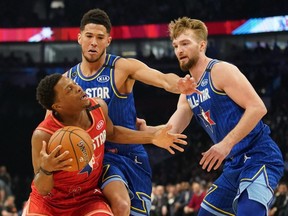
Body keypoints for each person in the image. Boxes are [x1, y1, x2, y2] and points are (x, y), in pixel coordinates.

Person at [64, 8, 198, 216]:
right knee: (120, 206)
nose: (94, 42)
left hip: (132, 155)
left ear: (108, 40)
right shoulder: (68, 81)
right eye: (89, 36)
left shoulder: (121, 68)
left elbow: (162, 79)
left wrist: (179, 84)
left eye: (100, 37)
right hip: (98, 158)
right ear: (79, 37)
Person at [165, 17, 284, 215]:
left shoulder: (220, 70)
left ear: (202, 45)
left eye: (185, 43)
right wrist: (145, 131)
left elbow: (257, 107)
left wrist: (226, 144)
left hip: (259, 156)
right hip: (233, 164)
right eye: (176, 45)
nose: (179, 50)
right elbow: (172, 130)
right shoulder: (187, 88)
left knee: (249, 211)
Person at [22, 74, 188, 216]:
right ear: (57, 106)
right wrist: (47, 169)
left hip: (86, 198)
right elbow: (42, 189)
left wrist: (151, 137)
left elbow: (113, 133)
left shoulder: (98, 107)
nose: (78, 88)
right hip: (50, 204)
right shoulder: (44, 134)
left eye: (74, 84)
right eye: (69, 90)